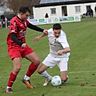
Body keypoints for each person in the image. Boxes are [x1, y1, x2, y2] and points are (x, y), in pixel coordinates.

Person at [5, 6, 47, 93]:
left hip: (23, 46)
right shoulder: (14, 21)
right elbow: (12, 36)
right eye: (26, 15)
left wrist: (42, 30)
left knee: (36, 61)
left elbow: (31, 26)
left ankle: (26, 78)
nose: (27, 17)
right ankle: (8, 87)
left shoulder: (24, 21)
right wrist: (20, 43)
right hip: (14, 47)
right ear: (21, 13)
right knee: (17, 67)